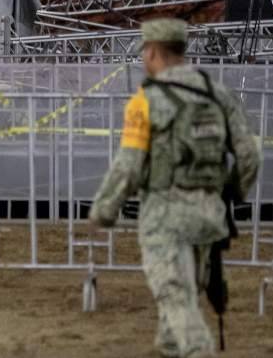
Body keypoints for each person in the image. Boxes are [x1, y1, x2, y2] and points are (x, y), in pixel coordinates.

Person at [89, 18, 260, 358]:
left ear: (152, 52)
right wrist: (232, 194)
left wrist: (104, 209)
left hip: (165, 217)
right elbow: (251, 153)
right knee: (179, 309)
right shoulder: (217, 93)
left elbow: (129, 163)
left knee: (175, 299)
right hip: (210, 217)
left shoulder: (146, 100)